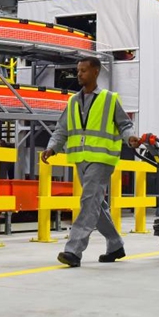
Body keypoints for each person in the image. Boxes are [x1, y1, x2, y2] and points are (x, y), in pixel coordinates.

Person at [41, 56, 140, 267]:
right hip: (81, 159)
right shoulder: (73, 101)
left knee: (88, 201)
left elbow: (124, 125)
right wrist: (52, 147)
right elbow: (62, 129)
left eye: (84, 70)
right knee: (96, 204)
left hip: (102, 159)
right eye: (78, 70)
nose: (79, 74)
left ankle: (73, 251)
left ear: (95, 72)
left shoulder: (109, 99)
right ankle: (115, 244)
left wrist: (130, 137)